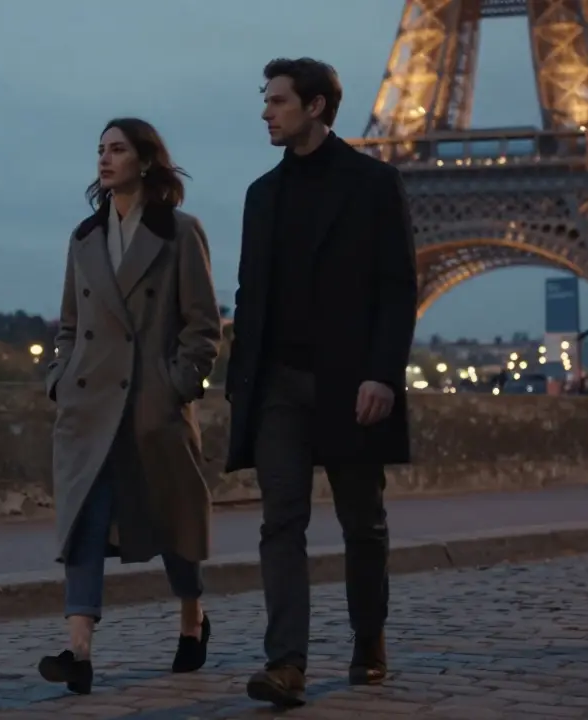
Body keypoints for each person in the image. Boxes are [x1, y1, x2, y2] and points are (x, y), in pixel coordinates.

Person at [224, 58, 418, 708]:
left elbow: (397, 290)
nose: (265, 112)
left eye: (277, 101)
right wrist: (239, 384)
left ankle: (369, 637)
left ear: (313, 106)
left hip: (351, 381)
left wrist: (383, 375)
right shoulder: (261, 194)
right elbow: (251, 295)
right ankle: (286, 664)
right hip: (277, 384)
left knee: (363, 523)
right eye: (266, 100)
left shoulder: (373, 183)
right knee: (281, 522)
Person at [38, 117, 223, 695]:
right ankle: (78, 649)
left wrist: (175, 385)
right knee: (84, 523)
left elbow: (203, 327)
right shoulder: (83, 238)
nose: (104, 158)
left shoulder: (180, 233)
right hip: (89, 406)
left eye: (117, 149)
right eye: (99, 149)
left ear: (145, 161)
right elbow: (70, 324)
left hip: (150, 405)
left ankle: (192, 619)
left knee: (173, 519)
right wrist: (60, 378)